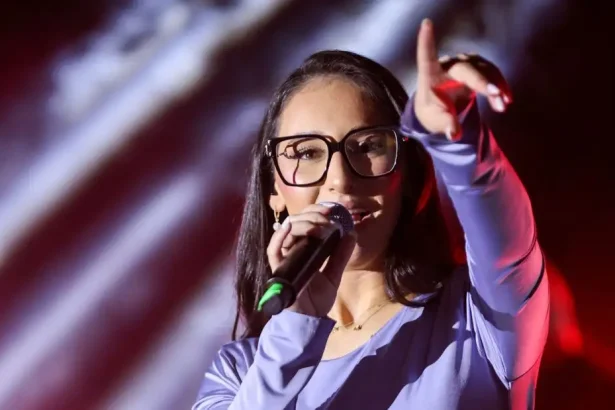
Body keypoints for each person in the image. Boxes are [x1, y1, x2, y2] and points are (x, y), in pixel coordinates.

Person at [192, 19, 549, 409]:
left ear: (407, 174)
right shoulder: (239, 373)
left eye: (368, 146)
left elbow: (507, 238)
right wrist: (294, 329)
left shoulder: (480, 315)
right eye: (307, 153)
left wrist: (456, 137)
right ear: (273, 190)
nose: (340, 179)